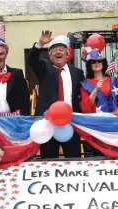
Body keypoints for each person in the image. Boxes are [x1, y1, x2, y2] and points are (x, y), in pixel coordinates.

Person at [28, 30, 85, 158]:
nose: (58, 52)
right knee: (49, 159)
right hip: (48, 124)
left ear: (67, 54)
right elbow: (32, 60)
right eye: (54, 50)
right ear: (50, 56)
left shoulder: (77, 72)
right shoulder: (44, 68)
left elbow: (83, 95)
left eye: (61, 49)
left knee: (74, 159)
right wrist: (40, 44)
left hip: (71, 122)